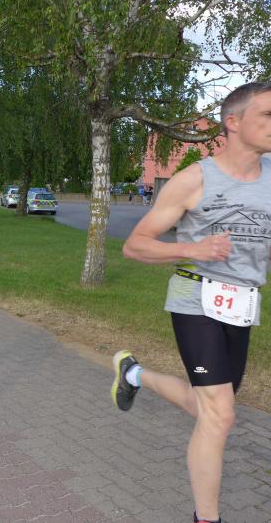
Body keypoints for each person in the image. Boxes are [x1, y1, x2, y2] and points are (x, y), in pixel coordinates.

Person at [116, 82, 271, 523]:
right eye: (267, 115)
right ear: (233, 122)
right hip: (196, 297)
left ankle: (134, 374)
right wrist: (194, 249)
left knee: (211, 409)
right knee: (219, 415)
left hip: (242, 304)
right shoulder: (195, 179)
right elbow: (135, 245)